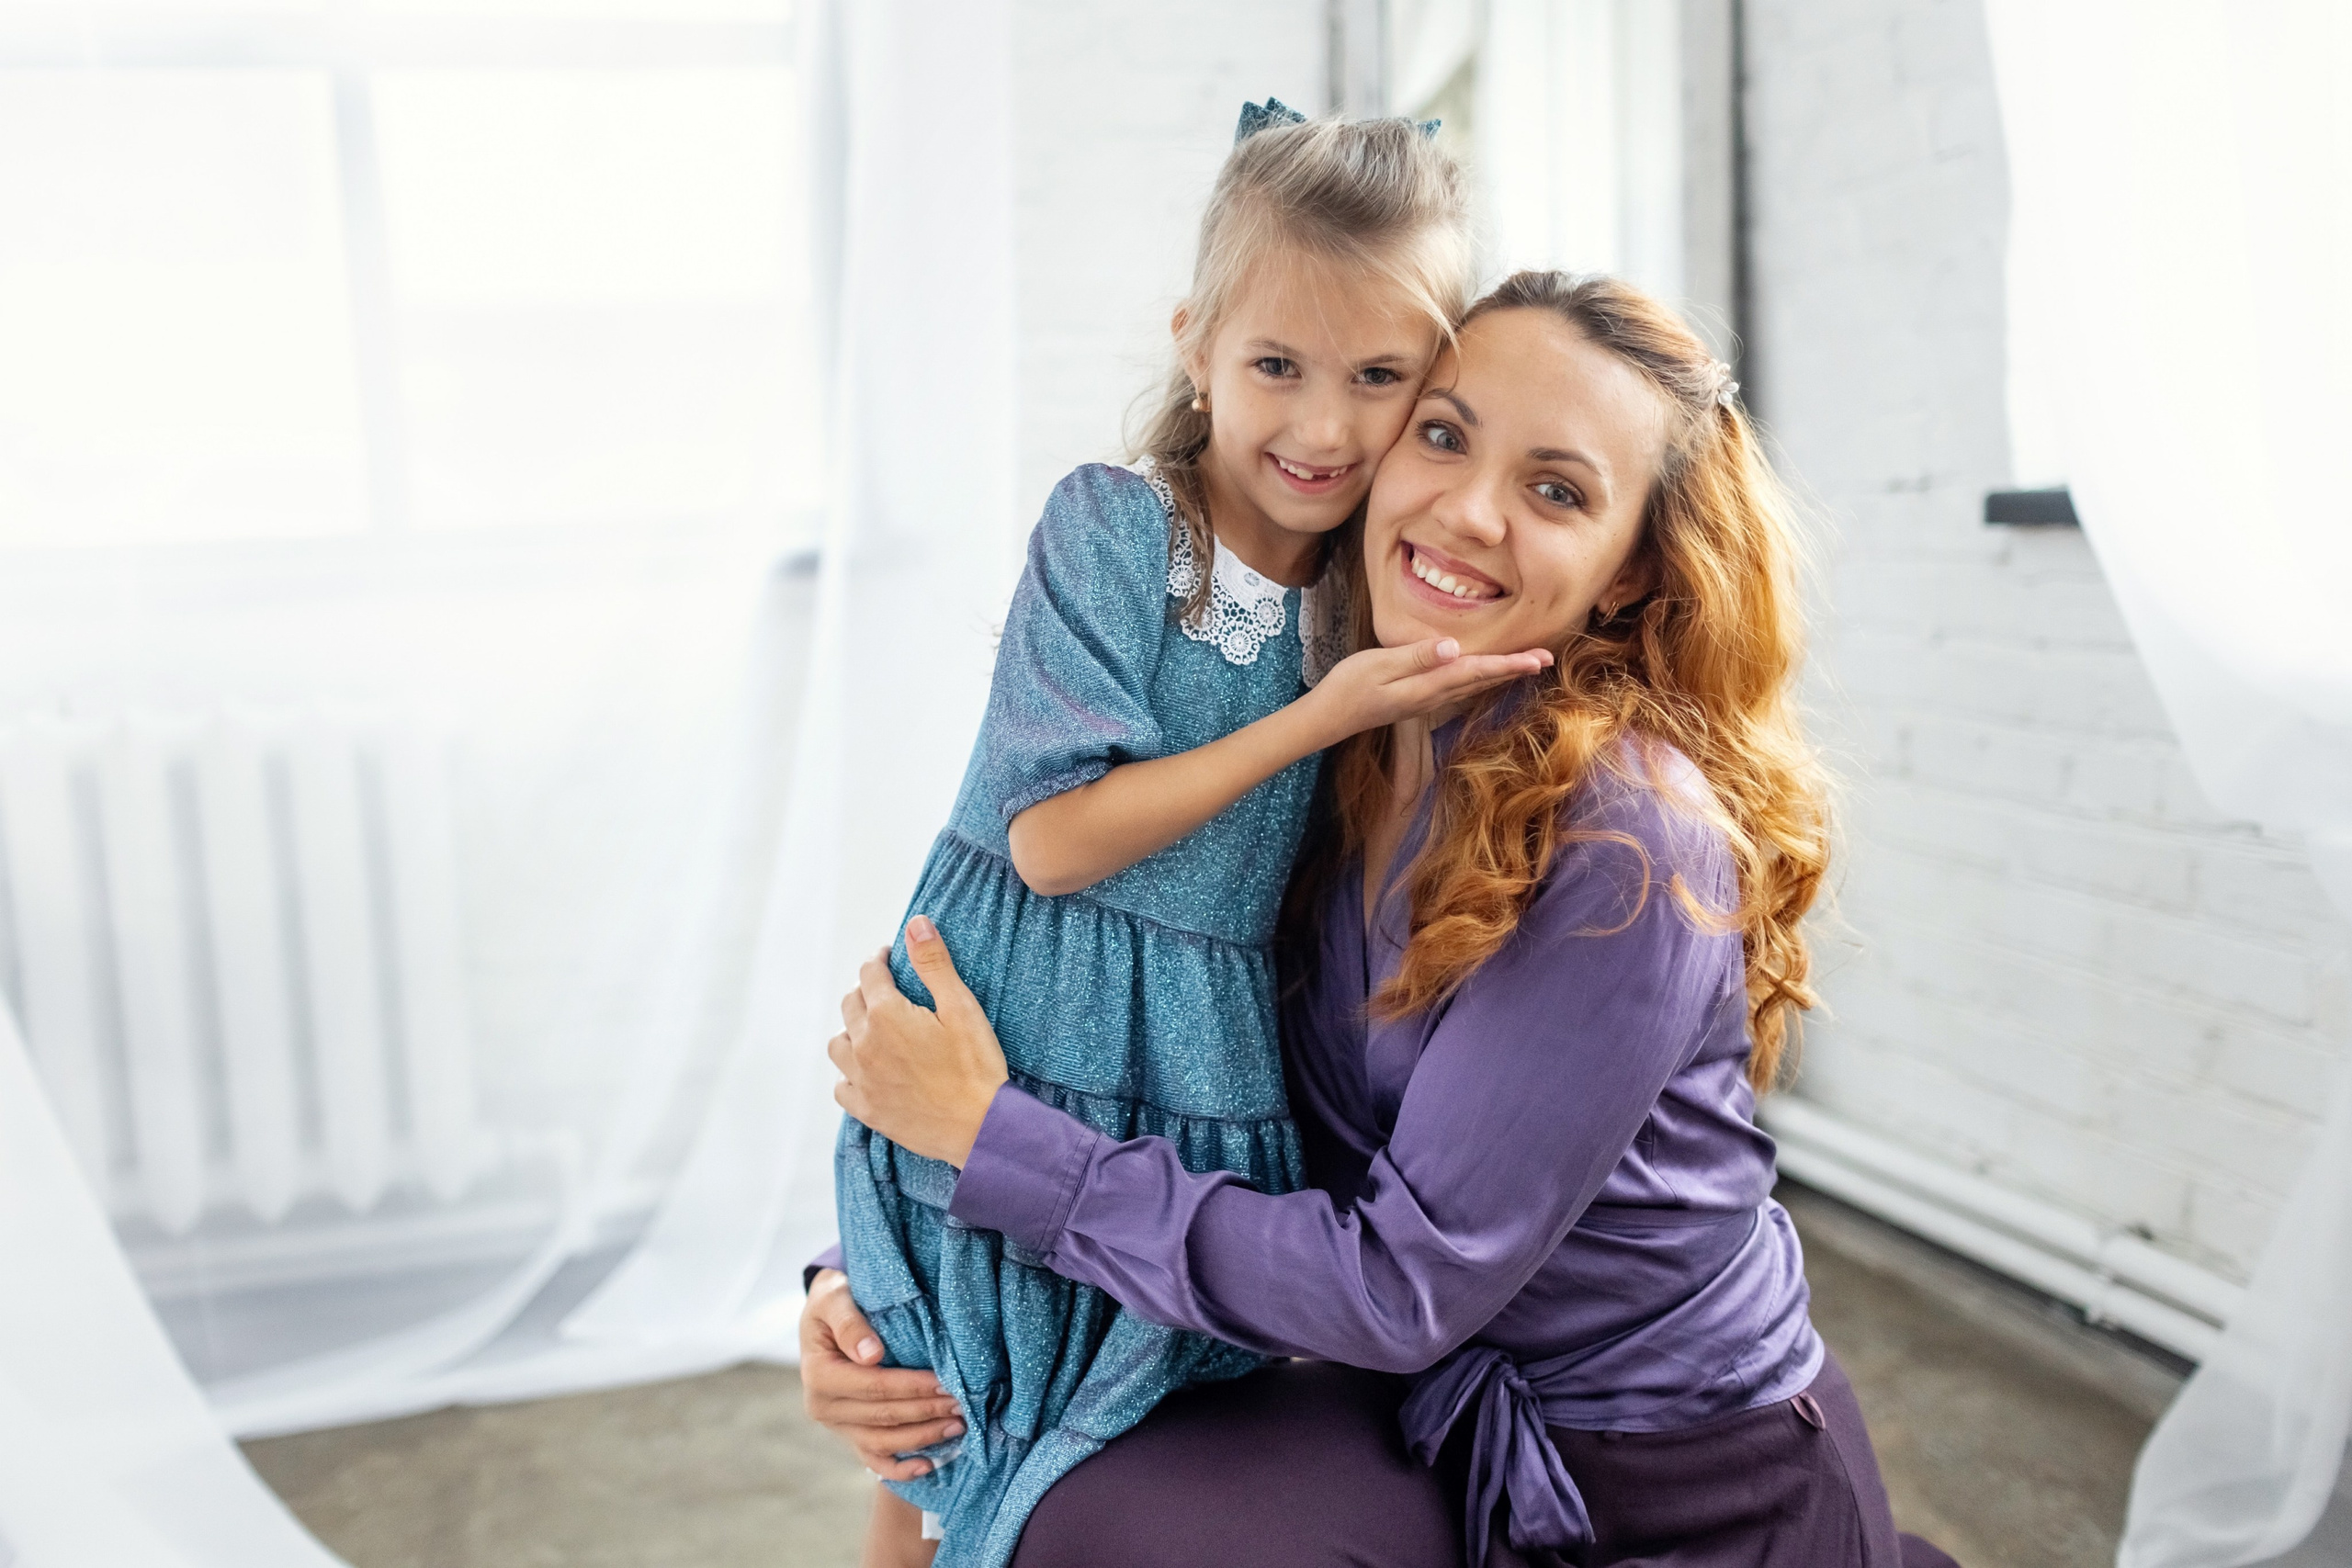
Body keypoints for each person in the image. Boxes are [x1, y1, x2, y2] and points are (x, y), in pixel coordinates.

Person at [820, 271, 1962, 1568]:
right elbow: (1116, 1023)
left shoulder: (1628, 838)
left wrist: (992, 1145)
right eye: (1444, 434)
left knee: (1098, 1534)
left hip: (1679, 1488)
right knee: (1067, 1499)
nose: (1468, 511)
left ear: (1633, 570)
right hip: (1426, 1420)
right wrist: (868, 1293)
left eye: (1556, 491)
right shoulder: (1327, 740)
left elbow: (1401, 1285)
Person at [833, 101, 1552, 1568]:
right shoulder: (1118, 532)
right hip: (1016, 1022)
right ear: (1197, 346)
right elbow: (1051, 844)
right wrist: (1316, 716)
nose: (1325, 429)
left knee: (1102, 1445)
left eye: (1379, 378)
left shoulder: (1367, 596)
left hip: (1192, 1073)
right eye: (1278, 366)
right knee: (945, 1434)